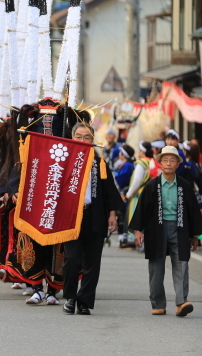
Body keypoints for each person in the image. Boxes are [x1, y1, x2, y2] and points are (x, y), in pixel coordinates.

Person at [130, 145, 202, 316]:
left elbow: (192, 211)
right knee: (156, 267)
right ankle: (158, 303)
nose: (169, 163)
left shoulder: (184, 186)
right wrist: (138, 231)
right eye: (165, 160)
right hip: (157, 229)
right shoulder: (151, 186)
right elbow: (141, 209)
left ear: (178, 164)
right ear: (160, 163)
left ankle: (181, 302)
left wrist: (195, 235)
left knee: (182, 264)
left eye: (172, 160)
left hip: (180, 229)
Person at [62, 123, 123, 315]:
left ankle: (84, 301)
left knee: (92, 262)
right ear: (72, 138)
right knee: (72, 259)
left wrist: (112, 215)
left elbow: (110, 192)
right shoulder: (63, 161)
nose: (82, 140)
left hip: (95, 216)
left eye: (87, 137)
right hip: (72, 217)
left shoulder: (100, 163)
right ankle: (70, 297)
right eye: (78, 136)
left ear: (93, 140)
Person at [121, 141, 153, 248]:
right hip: (150, 193)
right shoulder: (152, 162)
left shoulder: (141, 163)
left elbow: (136, 181)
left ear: (143, 152)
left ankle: (140, 242)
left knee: (138, 218)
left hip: (139, 194)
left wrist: (129, 194)